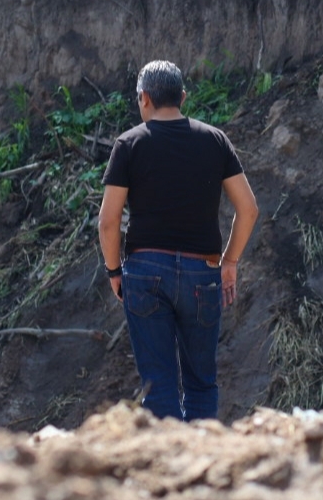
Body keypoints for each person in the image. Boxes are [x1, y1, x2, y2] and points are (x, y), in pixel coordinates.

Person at [98, 60, 259, 421]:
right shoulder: (215, 140)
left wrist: (113, 270)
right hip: (203, 272)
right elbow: (248, 209)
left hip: (145, 271)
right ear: (183, 97)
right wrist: (230, 262)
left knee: (158, 382)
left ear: (144, 98)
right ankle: (200, 453)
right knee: (201, 382)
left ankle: (168, 453)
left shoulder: (129, 144)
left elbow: (108, 222)